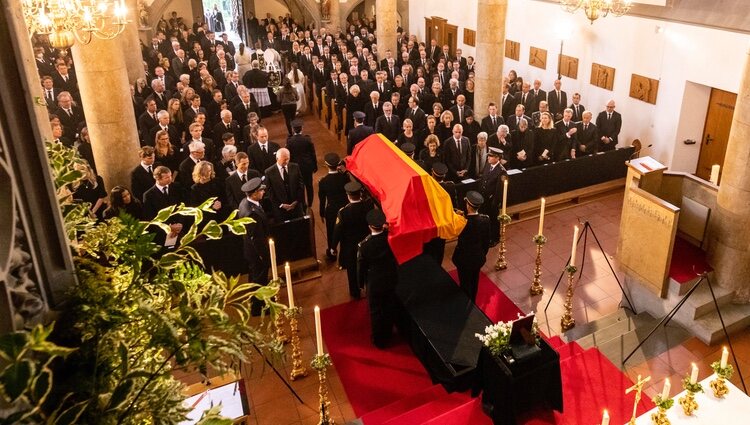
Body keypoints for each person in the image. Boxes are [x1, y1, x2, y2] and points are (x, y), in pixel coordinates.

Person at [357, 209, 399, 348]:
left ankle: (378, 340)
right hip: (391, 277)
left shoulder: (364, 245)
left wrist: (360, 284)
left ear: (369, 227)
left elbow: (361, 267)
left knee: (375, 311)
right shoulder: (390, 239)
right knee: (389, 306)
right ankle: (388, 334)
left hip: (374, 281)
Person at [333, 181, 373, 299]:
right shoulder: (367, 207)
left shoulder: (343, 212)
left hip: (350, 246)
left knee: (352, 269)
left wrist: (333, 246)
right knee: (366, 267)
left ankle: (355, 292)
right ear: (359, 194)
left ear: (348, 195)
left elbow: (337, 231)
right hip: (366, 242)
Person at [237, 177, 270, 316]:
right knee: (260, 279)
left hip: (249, 250)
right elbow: (256, 238)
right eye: (261, 190)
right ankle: (258, 307)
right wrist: (264, 255)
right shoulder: (253, 213)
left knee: (254, 276)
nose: (263, 192)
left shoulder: (244, 202)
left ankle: (255, 300)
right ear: (254, 193)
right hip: (256, 253)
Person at [452, 191, 490, 303]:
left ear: (468, 205)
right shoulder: (485, 220)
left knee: (464, 283)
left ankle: (464, 302)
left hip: (463, 259)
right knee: (474, 281)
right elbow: (486, 243)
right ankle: (473, 301)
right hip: (478, 257)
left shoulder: (462, 222)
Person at [318, 153, 349, 260]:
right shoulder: (345, 178)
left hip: (331, 211)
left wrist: (322, 213)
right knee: (345, 232)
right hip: (345, 209)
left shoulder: (323, 182)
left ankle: (332, 253)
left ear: (326, 165)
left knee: (331, 232)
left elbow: (322, 199)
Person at [263, 148, 305, 221]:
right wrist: (281, 205)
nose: (286, 161)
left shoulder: (295, 167)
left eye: (288, 159)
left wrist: (296, 201)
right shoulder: (269, 172)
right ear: (277, 158)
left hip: (296, 208)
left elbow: (301, 185)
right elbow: (269, 192)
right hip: (281, 211)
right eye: (284, 160)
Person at [478, 147, 507, 247]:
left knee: (493, 220)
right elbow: (484, 180)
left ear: (497, 158)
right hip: (484, 198)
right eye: (489, 156)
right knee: (485, 218)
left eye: (491, 156)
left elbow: (499, 189)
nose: (488, 158)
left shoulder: (501, 171)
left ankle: (495, 238)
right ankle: (486, 236)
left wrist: (495, 202)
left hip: (492, 200)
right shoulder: (488, 165)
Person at [286, 119, 317, 207]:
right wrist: (315, 166)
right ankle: (310, 204)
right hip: (307, 166)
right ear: (302, 128)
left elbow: (289, 156)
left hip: (296, 168)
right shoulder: (307, 139)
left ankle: (303, 204)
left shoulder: (290, 141)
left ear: (292, 129)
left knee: (300, 187)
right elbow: (313, 154)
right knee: (309, 186)